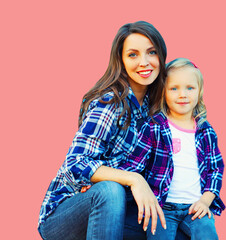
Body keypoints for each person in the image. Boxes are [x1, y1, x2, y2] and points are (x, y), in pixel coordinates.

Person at [38, 21, 169, 240]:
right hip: (66, 215)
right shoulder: (111, 103)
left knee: (173, 224)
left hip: (117, 213)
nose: (144, 62)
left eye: (151, 52)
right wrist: (135, 179)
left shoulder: (152, 107)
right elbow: (77, 162)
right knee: (111, 191)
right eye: (133, 55)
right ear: (121, 61)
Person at [118, 58, 226, 240]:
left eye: (189, 88)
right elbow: (133, 164)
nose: (182, 94)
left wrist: (205, 201)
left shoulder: (206, 131)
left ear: (199, 92)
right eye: (174, 88)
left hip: (195, 207)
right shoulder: (154, 127)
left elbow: (216, 169)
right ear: (164, 93)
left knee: (207, 233)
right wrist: (102, 181)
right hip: (162, 207)